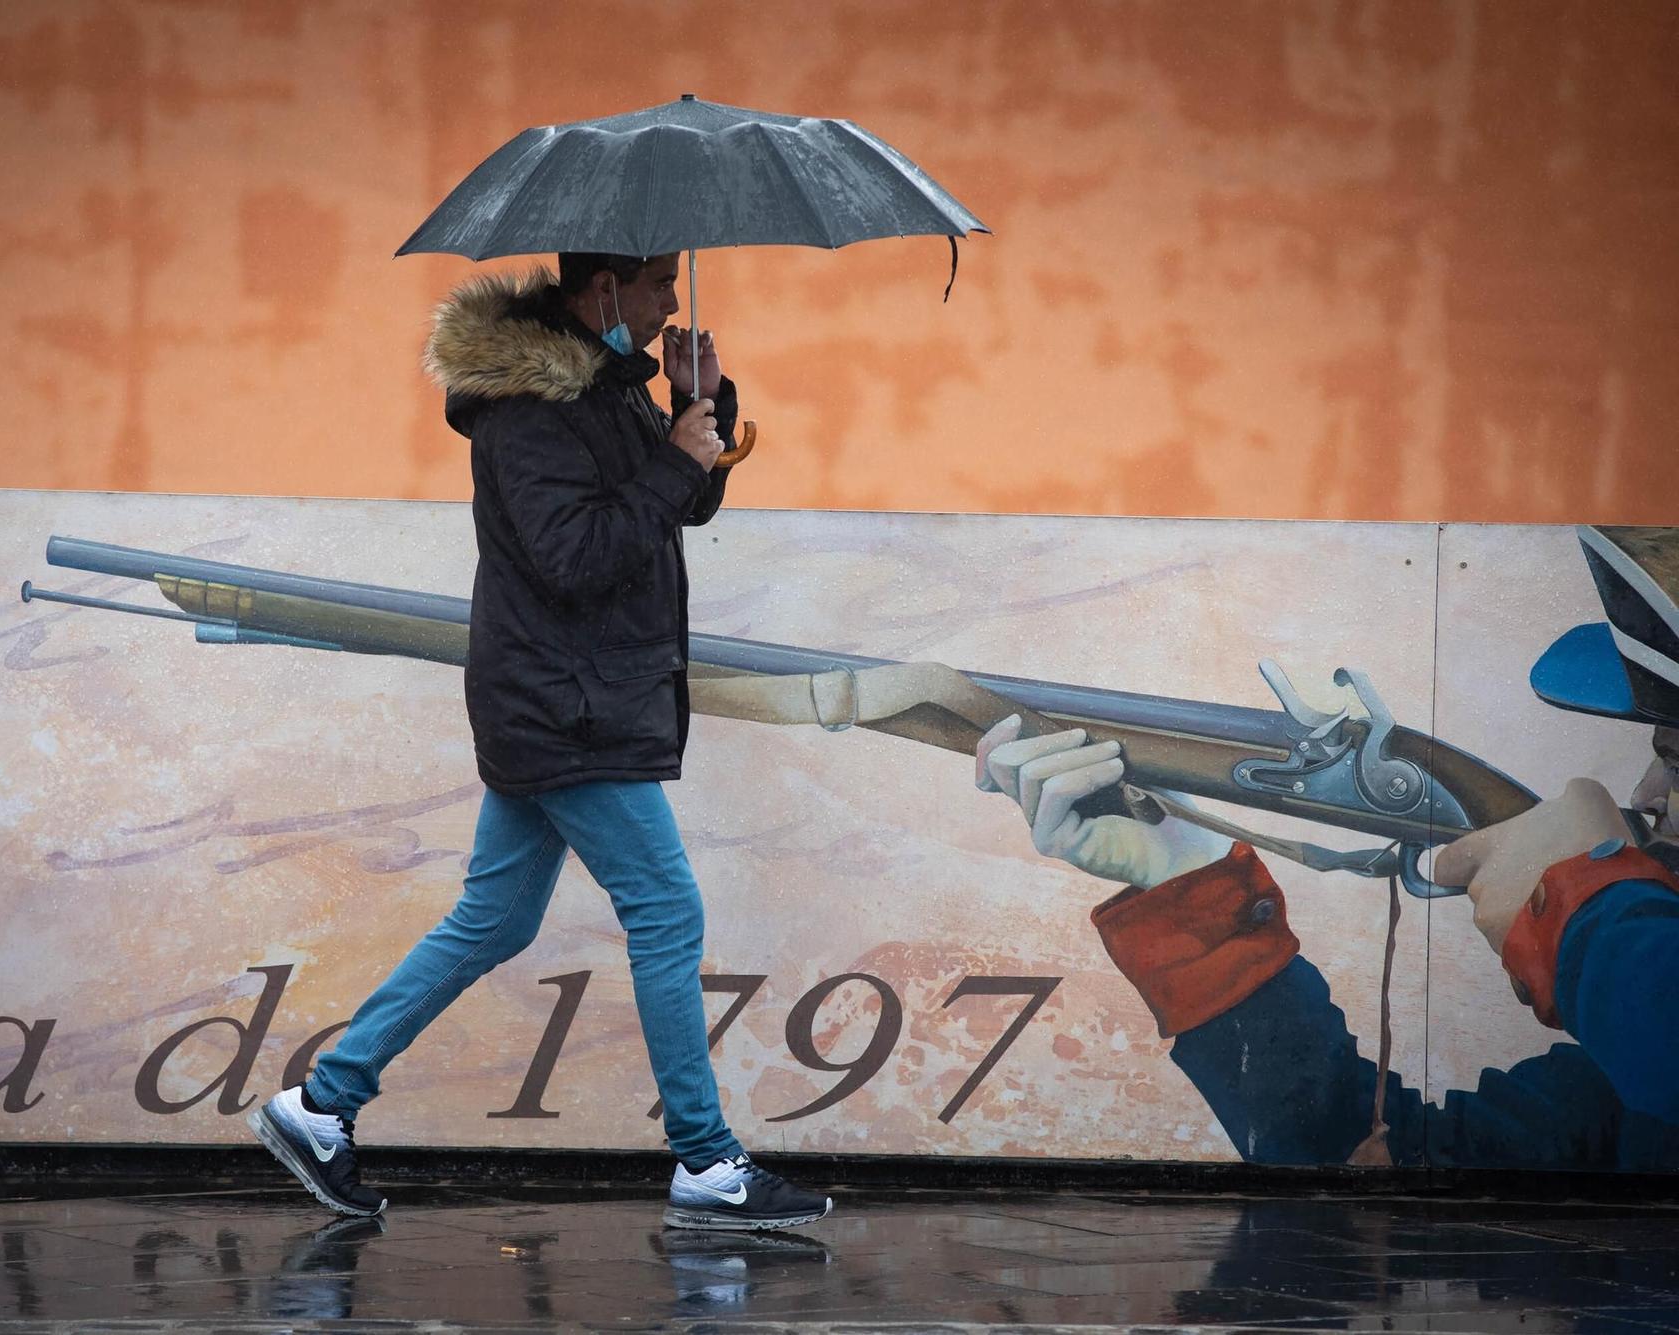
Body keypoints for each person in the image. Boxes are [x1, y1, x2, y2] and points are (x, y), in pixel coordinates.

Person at [250, 252, 832, 1231]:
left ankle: (319, 1105)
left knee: (494, 920)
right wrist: (668, 460)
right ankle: (704, 1161)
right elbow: (576, 557)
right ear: (601, 291)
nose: (670, 303)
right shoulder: (529, 411)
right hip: (568, 703)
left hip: (567, 695)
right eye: (656, 284)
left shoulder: (606, 393)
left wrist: (701, 410)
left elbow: (671, 506)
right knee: (665, 911)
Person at [973, 523, 1679, 1169]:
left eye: (1677, 759)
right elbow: (1350, 1161)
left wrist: (1580, 905)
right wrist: (1183, 875)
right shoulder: (1623, 1089)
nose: (1647, 795)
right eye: (1659, 752)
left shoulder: (1647, 1044)